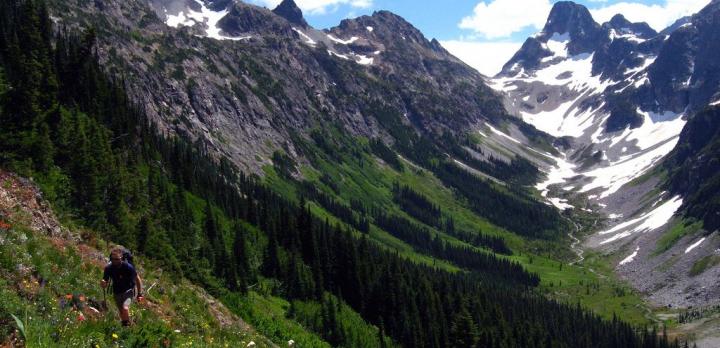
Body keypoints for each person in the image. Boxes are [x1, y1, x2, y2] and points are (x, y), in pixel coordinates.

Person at [101, 248, 143, 326]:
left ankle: (126, 327)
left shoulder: (128, 267)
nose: (114, 261)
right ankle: (126, 326)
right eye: (113, 259)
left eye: (117, 259)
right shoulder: (109, 268)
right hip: (116, 291)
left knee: (125, 307)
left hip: (129, 291)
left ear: (121, 258)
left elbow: (137, 279)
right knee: (121, 312)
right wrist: (103, 283)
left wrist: (140, 294)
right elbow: (105, 281)